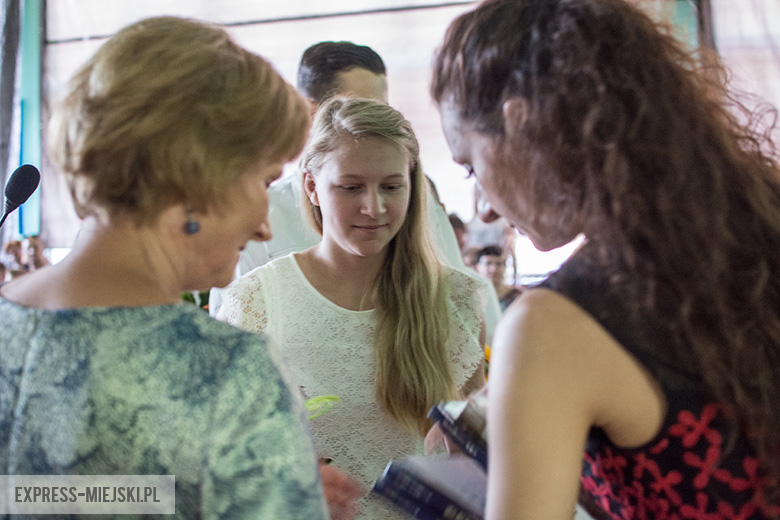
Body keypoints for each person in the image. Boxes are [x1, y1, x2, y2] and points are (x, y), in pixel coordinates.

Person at [431, 0, 780, 519]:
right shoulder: (760, 221)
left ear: (521, 124)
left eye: (470, 167)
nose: (483, 205)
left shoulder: (550, 326)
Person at [0, 16, 334, 519]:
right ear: (196, 176)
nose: (265, 226)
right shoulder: (227, 377)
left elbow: (33, 493)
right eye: (264, 182)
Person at [219, 97, 489, 520]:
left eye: (391, 186)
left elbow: (484, 447)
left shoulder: (456, 298)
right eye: (351, 187)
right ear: (311, 186)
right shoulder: (257, 301)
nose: (374, 207)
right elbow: (220, 460)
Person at [208, 40, 502, 345]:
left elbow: (466, 317)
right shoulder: (262, 215)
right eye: (358, 107)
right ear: (310, 113)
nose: (373, 208)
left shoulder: (418, 198)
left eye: (381, 109)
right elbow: (230, 335)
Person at [474, 245, 523, 312]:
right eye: (488, 263)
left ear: (505, 267)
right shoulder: (471, 296)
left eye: (499, 264)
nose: (493, 269)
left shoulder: (517, 297)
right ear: (477, 267)